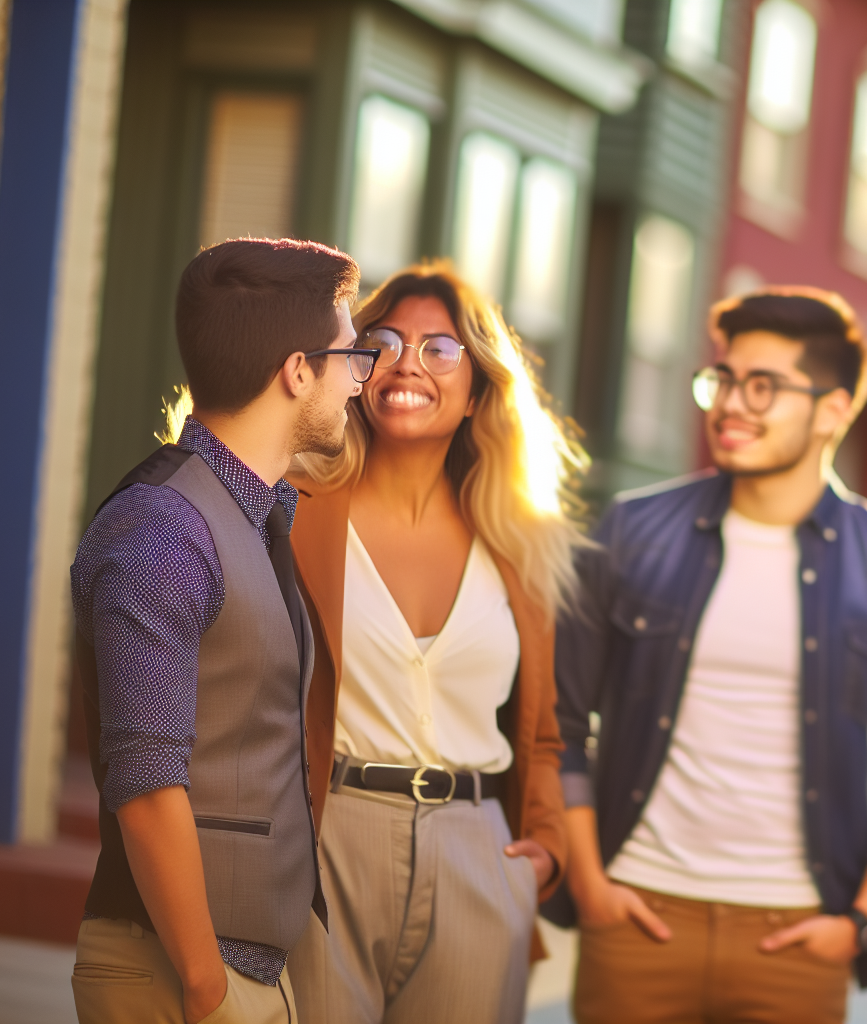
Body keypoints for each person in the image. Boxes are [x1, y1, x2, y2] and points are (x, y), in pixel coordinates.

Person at [552, 287, 867, 1024]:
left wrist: (859, 921)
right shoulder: (633, 532)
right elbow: (558, 723)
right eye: (724, 380)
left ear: (833, 410)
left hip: (799, 937)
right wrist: (589, 883)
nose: (731, 405)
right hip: (638, 914)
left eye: (764, 386)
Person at [70, 238, 365, 1024]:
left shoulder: (249, 514)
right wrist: (207, 989)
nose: (357, 382)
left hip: (243, 972)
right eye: (350, 358)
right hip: (179, 975)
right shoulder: (163, 530)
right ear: (297, 371)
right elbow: (146, 779)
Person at [283, 263, 580, 1024]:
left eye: (440, 349)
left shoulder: (521, 545)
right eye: (384, 343)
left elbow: (543, 730)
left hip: (477, 849)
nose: (407, 364)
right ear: (357, 369)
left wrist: (546, 847)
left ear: (478, 389)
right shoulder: (297, 509)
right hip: (327, 834)